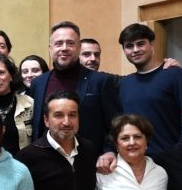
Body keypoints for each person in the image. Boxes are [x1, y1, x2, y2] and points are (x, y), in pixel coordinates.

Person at [27, 22, 122, 152]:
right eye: (58, 43)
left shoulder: (100, 81)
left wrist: (110, 152)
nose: (64, 48)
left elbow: (116, 124)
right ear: (50, 48)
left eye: (70, 43)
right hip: (45, 161)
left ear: (79, 47)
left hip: (88, 160)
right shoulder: (38, 83)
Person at [117, 22, 182, 152]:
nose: (135, 50)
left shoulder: (176, 75)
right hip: (136, 160)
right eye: (129, 46)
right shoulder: (124, 84)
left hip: (172, 159)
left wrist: (179, 152)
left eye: (140, 43)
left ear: (151, 44)